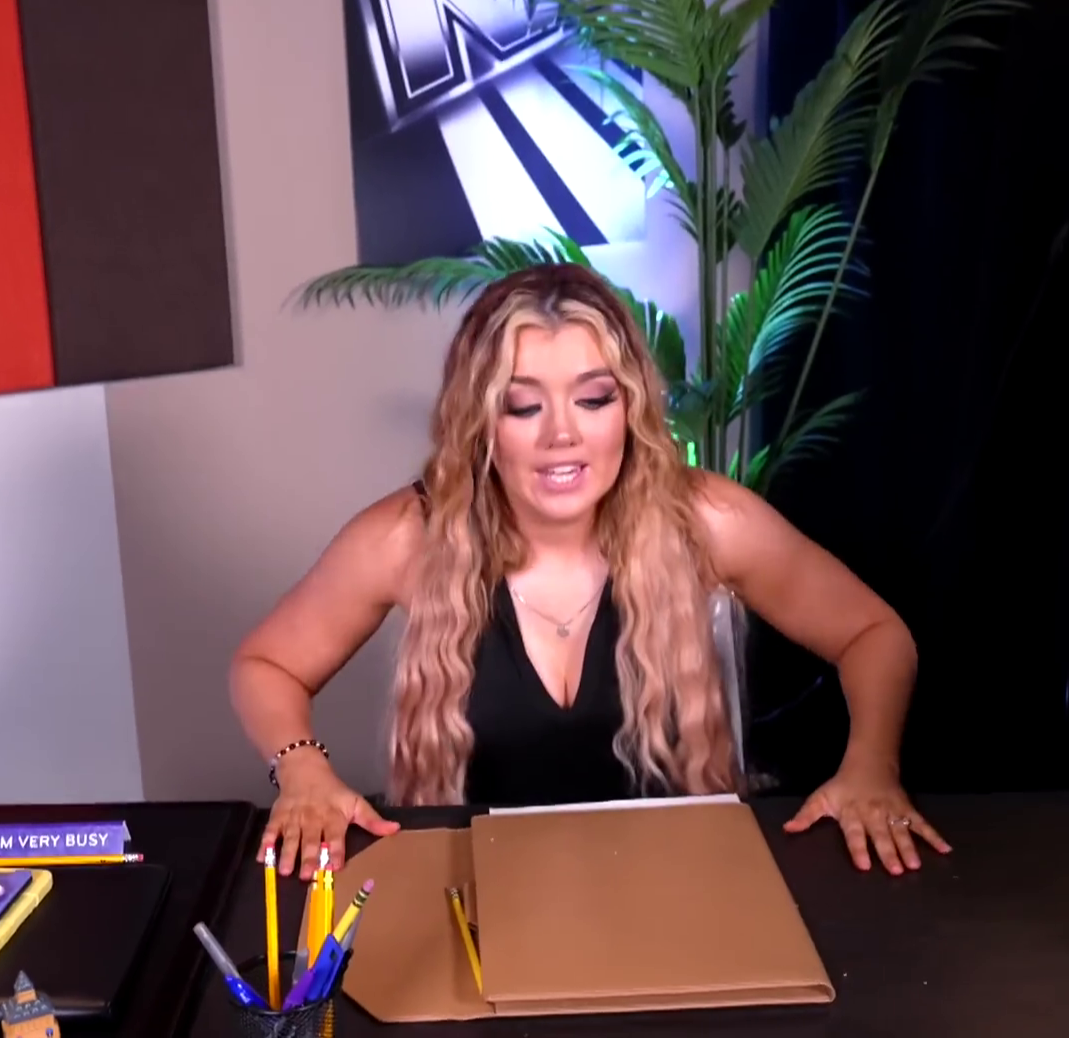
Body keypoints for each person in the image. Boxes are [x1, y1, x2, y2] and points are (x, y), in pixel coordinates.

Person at [229, 263, 947, 883]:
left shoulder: (709, 521)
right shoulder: (407, 538)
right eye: (523, 405)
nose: (562, 434)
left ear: (628, 406)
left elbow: (874, 634)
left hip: (675, 893)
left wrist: (870, 767)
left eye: (594, 398)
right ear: (480, 422)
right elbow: (266, 665)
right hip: (481, 903)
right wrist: (302, 768)